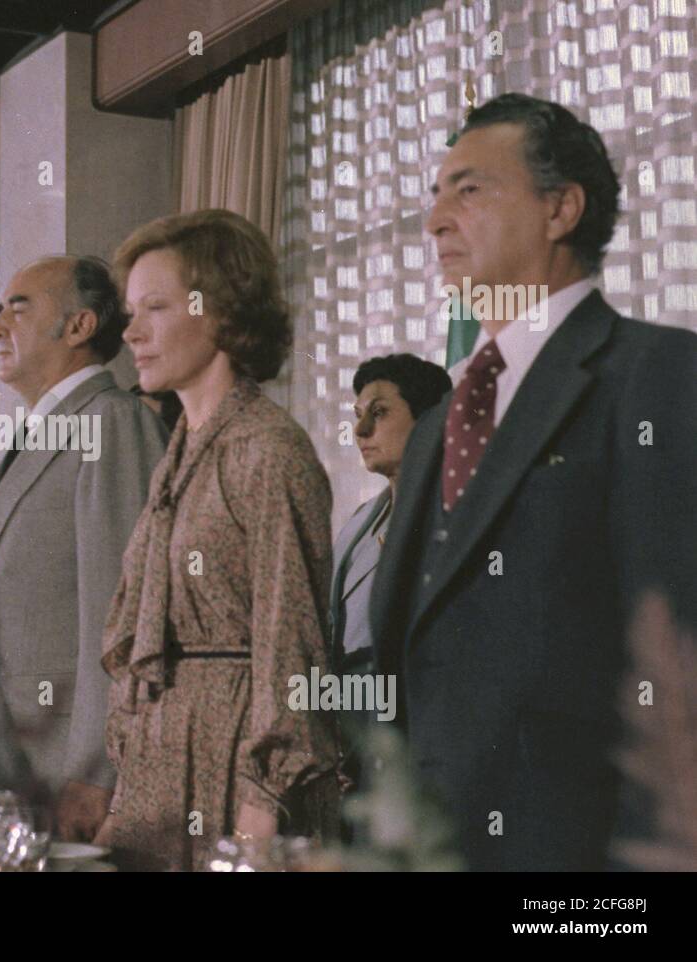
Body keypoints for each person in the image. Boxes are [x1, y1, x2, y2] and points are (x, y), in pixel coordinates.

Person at [370, 93, 697, 871]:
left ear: (561, 209)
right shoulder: (436, 429)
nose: (436, 220)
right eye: (435, 195)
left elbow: (679, 675)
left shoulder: (657, 376)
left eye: (469, 190)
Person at [97, 209, 340, 871]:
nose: (133, 332)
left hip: (233, 762)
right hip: (159, 765)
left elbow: (293, 642)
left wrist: (260, 818)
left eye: (156, 308)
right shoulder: (177, 455)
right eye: (129, 311)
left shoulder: (268, 450)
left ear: (223, 312)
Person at [0, 254, 168, 839]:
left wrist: (97, 773)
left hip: (66, 776)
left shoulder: (112, 422)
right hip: (14, 768)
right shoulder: (44, 428)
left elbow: (122, 614)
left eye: (17, 311)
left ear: (79, 327)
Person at [331, 354, 452, 675]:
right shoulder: (362, 518)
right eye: (358, 416)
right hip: (346, 708)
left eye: (379, 413)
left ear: (428, 419)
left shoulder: (452, 519)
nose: (360, 430)